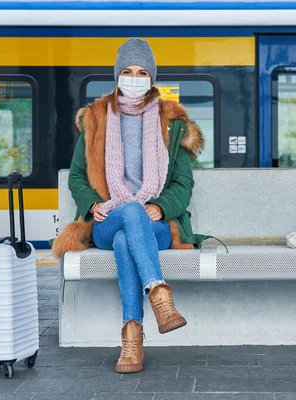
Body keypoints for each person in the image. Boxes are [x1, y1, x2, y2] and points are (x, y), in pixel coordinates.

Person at [52, 37, 208, 374]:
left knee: (128, 236)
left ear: (152, 78)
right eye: (127, 70)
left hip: (156, 225)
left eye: (141, 72)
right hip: (108, 218)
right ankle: (159, 293)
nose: (134, 78)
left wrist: (164, 207)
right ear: (116, 75)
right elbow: (77, 175)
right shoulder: (96, 118)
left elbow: (183, 183)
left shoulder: (173, 122)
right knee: (128, 216)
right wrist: (92, 204)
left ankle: (132, 337)